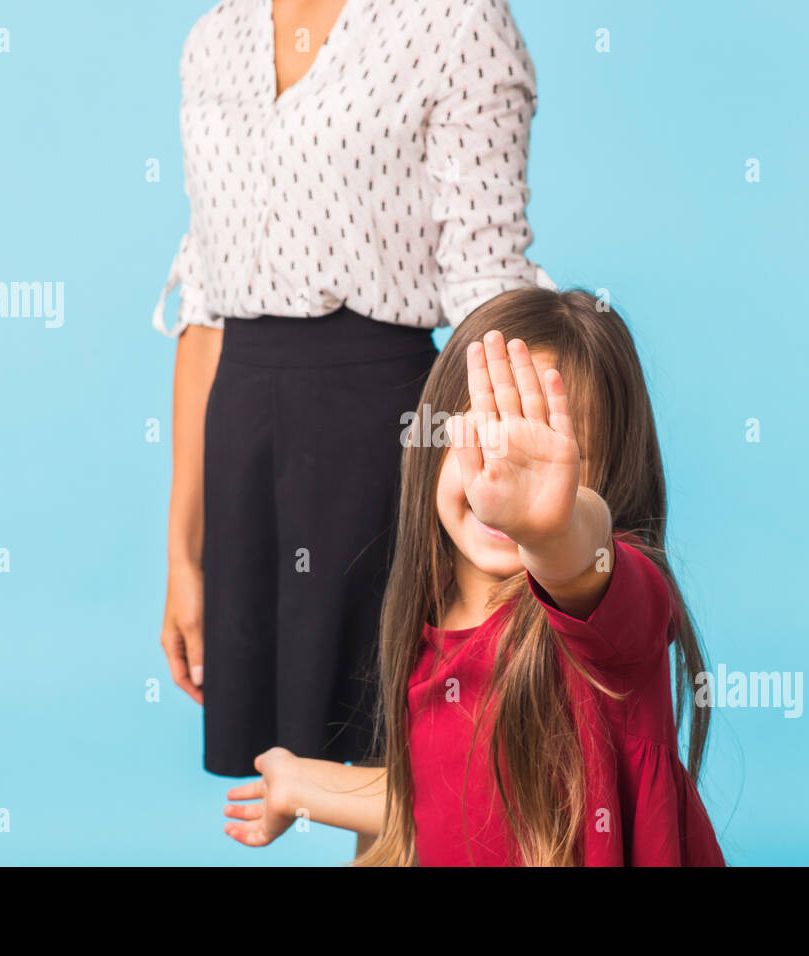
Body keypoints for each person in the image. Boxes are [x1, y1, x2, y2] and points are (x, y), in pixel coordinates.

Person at [153, 0, 548, 781]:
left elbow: (490, 293)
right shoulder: (216, 37)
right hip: (240, 431)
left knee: (407, 760)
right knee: (306, 767)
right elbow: (205, 307)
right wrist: (183, 558)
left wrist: (503, 513)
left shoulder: (456, 21)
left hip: (389, 436)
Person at [222, 288, 726, 866]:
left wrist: (554, 529)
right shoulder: (430, 624)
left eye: (557, 459)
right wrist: (300, 784)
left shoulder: (616, 622)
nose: (509, 481)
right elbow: (449, 802)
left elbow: (584, 558)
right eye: (488, 441)